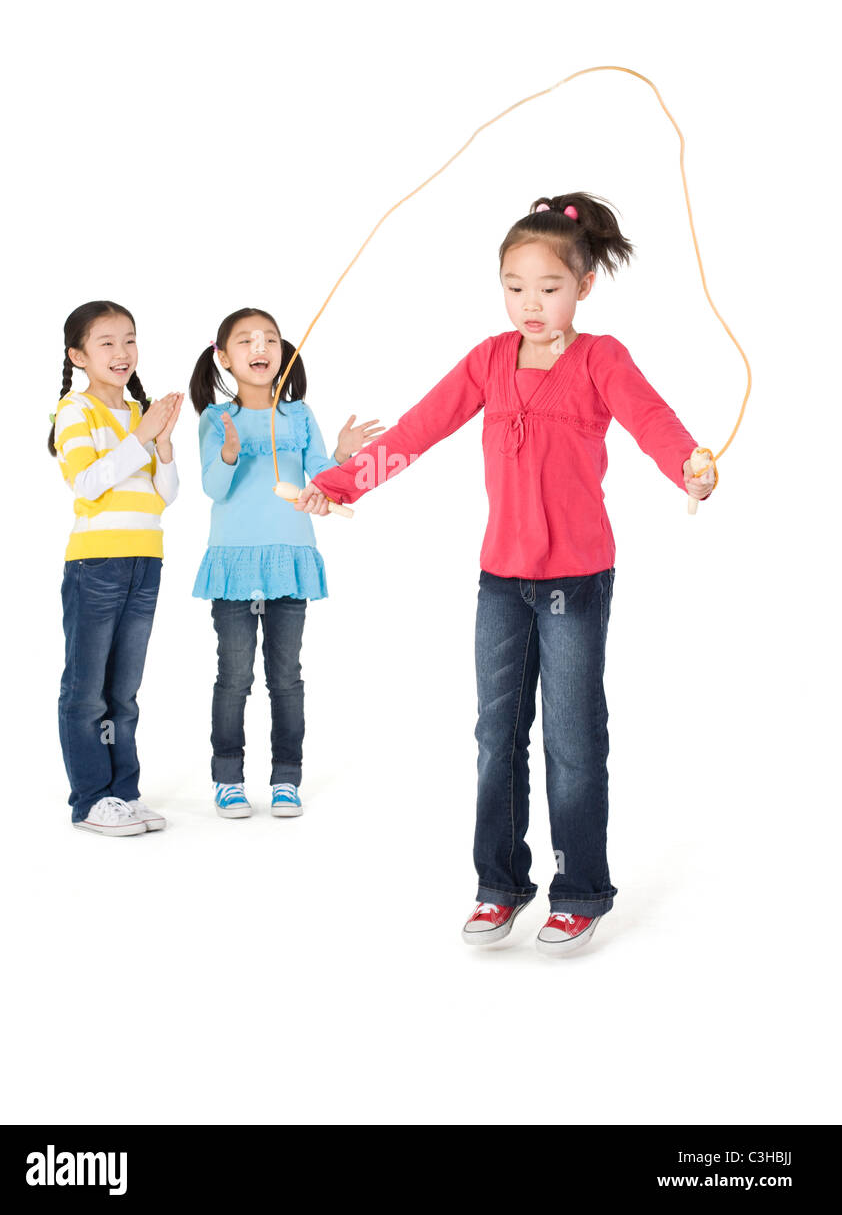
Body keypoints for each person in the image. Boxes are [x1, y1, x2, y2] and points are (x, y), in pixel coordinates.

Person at [297, 193, 716, 955]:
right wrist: (339, 484)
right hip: (501, 582)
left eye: (549, 287)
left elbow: (655, 423)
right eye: (514, 286)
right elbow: (419, 430)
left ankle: (581, 890)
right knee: (497, 736)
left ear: (583, 286)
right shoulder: (489, 359)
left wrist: (688, 464)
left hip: (576, 584)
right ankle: (500, 886)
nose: (530, 302)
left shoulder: (602, 359)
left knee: (573, 740)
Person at [189, 309, 384, 819]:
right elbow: (213, 487)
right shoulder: (216, 419)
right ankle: (228, 778)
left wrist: (340, 456)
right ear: (224, 357)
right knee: (233, 678)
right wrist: (230, 453)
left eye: (270, 339)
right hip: (233, 564)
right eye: (247, 340)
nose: (261, 346)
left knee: (286, 678)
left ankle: (285, 778)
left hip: (288, 561)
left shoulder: (299, 414)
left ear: (283, 351)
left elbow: (319, 476)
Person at [50, 300, 182, 835]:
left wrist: (164, 444)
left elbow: (163, 497)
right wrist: (144, 436)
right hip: (97, 562)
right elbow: (87, 483)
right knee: (87, 689)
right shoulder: (74, 411)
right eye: (106, 342)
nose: (122, 351)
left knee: (123, 691)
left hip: (145, 560)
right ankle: (89, 799)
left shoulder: (139, 417)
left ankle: (123, 793)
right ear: (78, 355)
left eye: (129, 339)